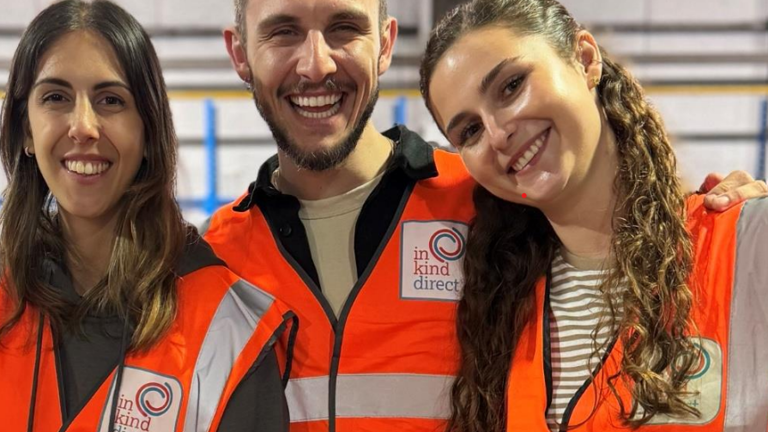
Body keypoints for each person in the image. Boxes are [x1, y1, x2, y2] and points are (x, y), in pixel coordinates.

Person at [204, 0, 768, 430]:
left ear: (384, 43)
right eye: (282, 31)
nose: (316, 62)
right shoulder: (214, 256)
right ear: (237, 53)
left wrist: (732, 223)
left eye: (345, 27)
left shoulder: (480, 203)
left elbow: (637, 225)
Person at [419, 0, 768, 431]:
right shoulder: (499, 310)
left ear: (585, 59)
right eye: (469, 130)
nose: (498, 133)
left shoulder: (747, 246)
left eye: (511, 86)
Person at [0, 2, 294, 431]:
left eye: (111, 100)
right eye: (55, 98)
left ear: (148, 130)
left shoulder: (224, 329)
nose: (83, 126)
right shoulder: (7, 295)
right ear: (26, 130)